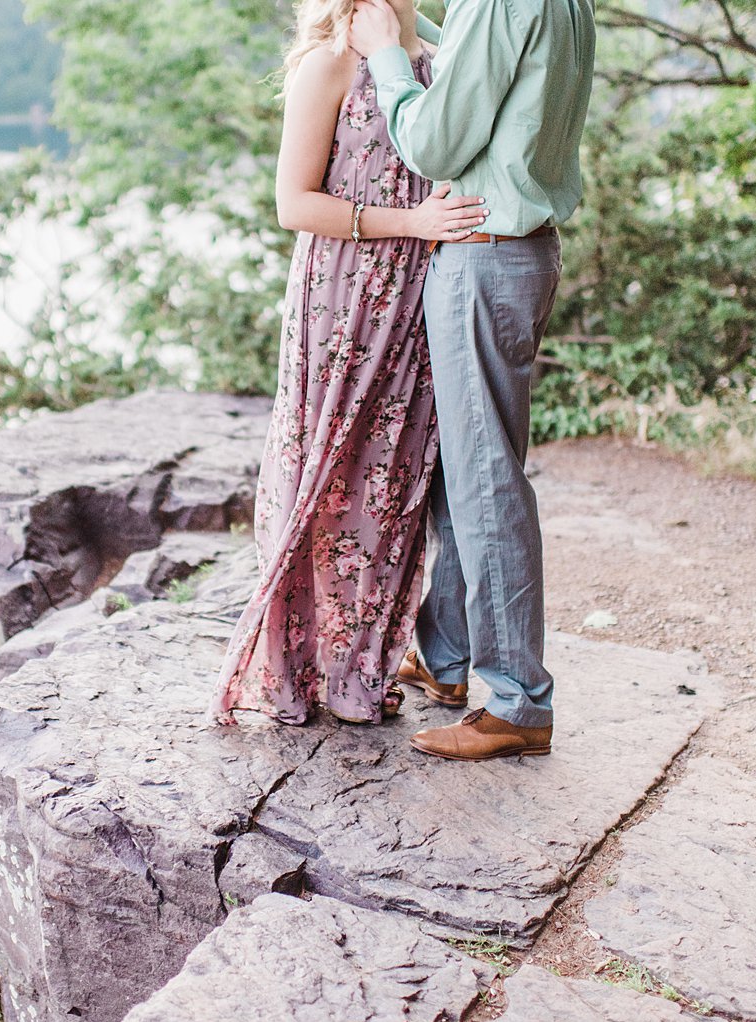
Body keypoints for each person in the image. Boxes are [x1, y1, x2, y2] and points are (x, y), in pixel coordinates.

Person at [209, 0, 490, 728]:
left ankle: (361, 669)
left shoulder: (433, 57)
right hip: (343, 298)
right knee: (329, 477)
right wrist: (412, 224)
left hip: (421, 295)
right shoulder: (329, 62)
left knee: (393, 484)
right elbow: (292, 203)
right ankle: (296, 669)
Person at [348, 0, 595, 759]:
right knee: (470, 468)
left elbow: (432, 140)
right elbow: (490, 73)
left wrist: (388, 52)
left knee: (486, 478)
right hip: (522, 251)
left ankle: (519, 701)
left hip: (484, 255)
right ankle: (447, 655)